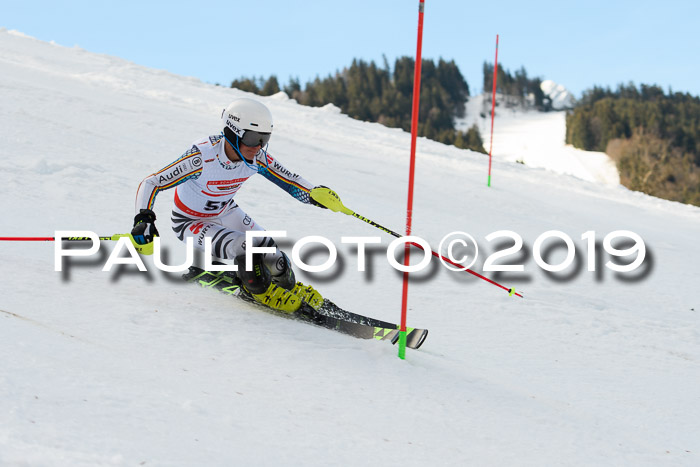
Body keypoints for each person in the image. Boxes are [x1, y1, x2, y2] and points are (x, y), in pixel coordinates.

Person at [131, 98, 334, 313]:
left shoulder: (257, 158)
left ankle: (288, 287)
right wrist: (143, 218)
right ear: (232, 132)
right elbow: (152, 182)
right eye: (252, 138)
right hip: (190, 222)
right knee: (247, 249)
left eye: (264, 139)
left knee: (275, 257)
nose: (257, 147)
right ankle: (261, 292)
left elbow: (290, 181)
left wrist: (314, 194)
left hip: (225, 211)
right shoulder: (201, 158)